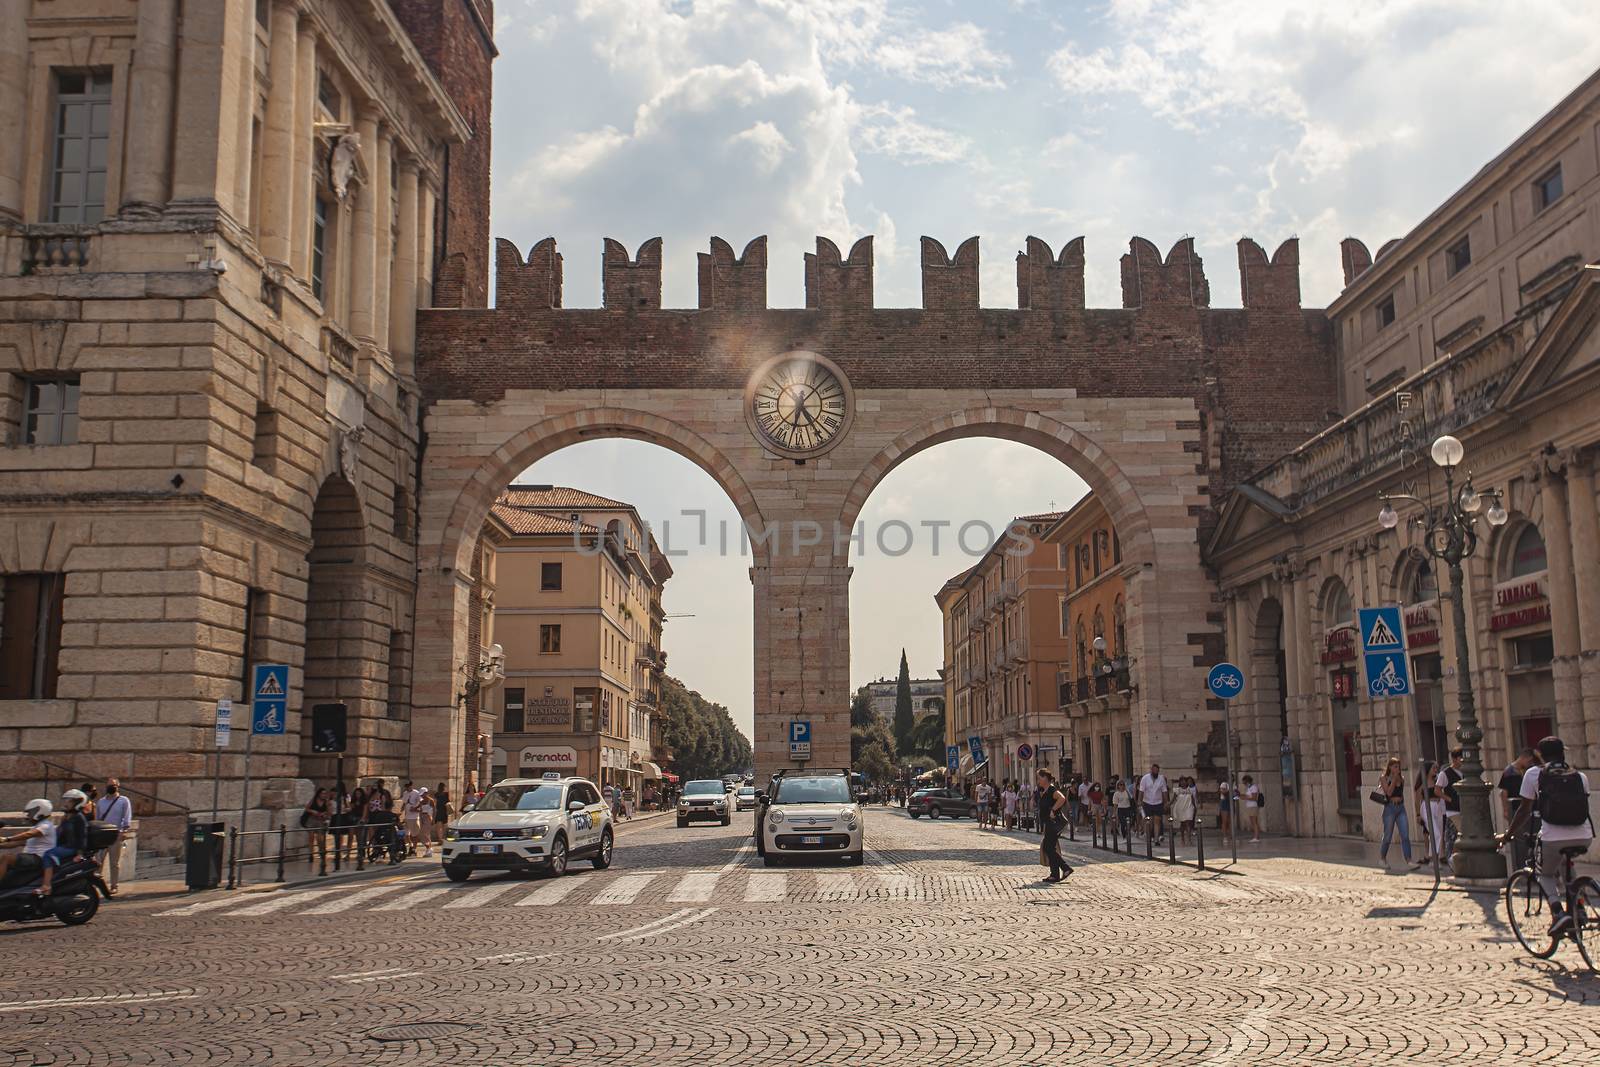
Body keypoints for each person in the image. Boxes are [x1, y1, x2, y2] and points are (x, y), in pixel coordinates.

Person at [1500, 736, 1593, 936]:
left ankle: (1559, 913)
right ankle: (1580, 906)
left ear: (1539, 755)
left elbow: (1524, 811)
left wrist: (1508, 835)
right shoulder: (1579, 775)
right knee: (1566, 863)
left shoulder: (1534, 774)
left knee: (1544, 873)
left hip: (1552, 836)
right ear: (1563, 752)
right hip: (1583, 835)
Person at [1498, 748, 1540, 871]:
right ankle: (1523, 866)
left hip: (1530, 809)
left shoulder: (1527, 771)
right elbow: (1503, 792)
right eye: (1529, 761)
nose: (1530, 764)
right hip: (1517, 809)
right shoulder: (1509, 772)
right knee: (1521, 838)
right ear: (1524, 758)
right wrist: (1506, 809)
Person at [0, 799, 57, 890]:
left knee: (6, 858)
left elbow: (28, 834)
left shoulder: (46, 825)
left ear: (39, 811)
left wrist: (7, 838)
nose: (28, 815)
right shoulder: (38, 826)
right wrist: (2, 845)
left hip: (38, 858)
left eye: (30, 813)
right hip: (31, 857)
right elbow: (19, 843)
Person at [95, 778, 132, 896]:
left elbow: (126, 817)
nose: (111, 787)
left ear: (118, 786)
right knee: (98, 861)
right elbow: (98, 818)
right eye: (109, 785)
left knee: (114, 862)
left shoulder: (123, 801)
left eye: (114, 785)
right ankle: (96, 885)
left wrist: (124, 830)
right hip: (103, 835)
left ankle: (114, 885)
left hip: (116, 834)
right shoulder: (101, 802)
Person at [1376, 757, 1414, 870]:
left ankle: (1409, 860)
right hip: (1390, 809)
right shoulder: (1384, 778)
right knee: (1388, 835)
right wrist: (1393, 779)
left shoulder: (1401, 779)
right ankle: (1382, 858)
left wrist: (1398, 779)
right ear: (1390, 767)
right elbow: (1388, 792)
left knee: (1405, 835)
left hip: (1400, 808)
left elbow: (1400, 793)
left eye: (1398, 766)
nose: (1397, 769)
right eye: (1395, 766)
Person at [1036, 770, 1073, 882]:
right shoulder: (1045, 791)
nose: (1038, 781)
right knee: (1050, 848)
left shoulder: (1052, 789)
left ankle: (1065, 868)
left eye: (1039, 778)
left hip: (1053, 823)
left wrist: (1053, 809)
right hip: (1048, 823)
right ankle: (1055, 875)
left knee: (1048, 847)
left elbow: (1062, 799)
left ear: (1045, 778)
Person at [1416, 760, 1445, 865]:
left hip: (1438, 807)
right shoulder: (1422, 784)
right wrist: (1418, 815)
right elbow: (1417, 799)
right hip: (1427, 807)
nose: (1435, 770)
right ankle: (1433, 858)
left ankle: (1435, 857)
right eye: (1433, 768)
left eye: (1436, 768)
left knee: (1439, 834)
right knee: (1435, 833)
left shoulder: (1437, 781)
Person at [1438, 749, 1464, 861]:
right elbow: (1437, 790)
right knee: (1458, 834)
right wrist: (1449, 799)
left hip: (1464, 808)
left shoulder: (1465, 772)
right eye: (1460, 758)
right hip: (1452, 810)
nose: (1462, 761)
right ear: (1454, 759)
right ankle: (1452, 858)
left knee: (1462, 835)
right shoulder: (1445, 774)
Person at [1137, 763, 1169, 846]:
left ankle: (1156, 839)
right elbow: (1141, 791)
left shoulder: (1161, 779)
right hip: (1147, 802)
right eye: (1154, 770)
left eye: (1157, 771)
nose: (1156, 772)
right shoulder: (1145, 778)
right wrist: (1139, 801)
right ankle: (1148, 836)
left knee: (1157, 820)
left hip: (1158, 802)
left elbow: (1164, 791)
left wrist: (1166, 802)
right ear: (1151, 770)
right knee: (1150, 821)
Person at [303, 788, 332, 865]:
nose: (323, 795)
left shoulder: (326, 802)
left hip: (320, 820)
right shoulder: (314, 800)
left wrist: (324, 813)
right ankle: (311, 854)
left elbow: (329, 813)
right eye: (322, 793)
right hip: (312, 819)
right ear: (319, 794)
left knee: (320, 838)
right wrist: (313, 811)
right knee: (311, 837)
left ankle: (321, 852)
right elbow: (307, 808)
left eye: (325, 793)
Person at [1171, 776, 1196, 846]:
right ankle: (1182, 838)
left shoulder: (1190, 790)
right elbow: (1173, 799)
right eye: (1181, 781)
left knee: (1188, 822)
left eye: (1184, 781)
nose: (1183, 782)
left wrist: (1194, 807)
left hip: (1189, 807)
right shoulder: (1177, 790)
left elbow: (1192, 799)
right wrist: (1168, 804)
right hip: (1181, 808)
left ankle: (1189, 838)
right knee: (1183, 824)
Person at [1242, 776, 1263, 842]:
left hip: (1253, 806)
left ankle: (1256, 837)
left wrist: (1245, 798)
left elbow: (1254, 798)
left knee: (1254, 822)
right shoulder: (1249, 788)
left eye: (1244, 782)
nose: (1243, 783)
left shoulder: (1254, 787)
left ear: (1247, 781)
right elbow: (1249, 796)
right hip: (1250, 806)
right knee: (1253, 822)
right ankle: (1256, 836)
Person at [1112, 777, 1133, 841]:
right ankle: (1124, 836)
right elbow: (1115, 804)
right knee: (1123, 823)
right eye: (1120, 785)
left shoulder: (1127, 792)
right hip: (1121, 809)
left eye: (1123, 784)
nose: (1122, 786)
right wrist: (1114, 813)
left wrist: (1127, 790)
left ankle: (1128, 834)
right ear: (1118, 786)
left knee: (1129, 823)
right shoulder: (1116, 794)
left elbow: (1131, 799)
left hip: (1128, 808)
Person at [416, 788, 435, 858]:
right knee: (426, 834)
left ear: (426, 793)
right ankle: (429, 849)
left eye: (423, 794)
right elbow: (420, 810)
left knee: (424, 834)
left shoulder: (431, 801)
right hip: (422, 818)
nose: (422, 796)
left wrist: (433, 819)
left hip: (428, 817)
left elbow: (434, 810)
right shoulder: (421, 802)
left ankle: (429, 848)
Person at [1217, 778, 1232, 845]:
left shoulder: (1234, 785)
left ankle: (1231, 835)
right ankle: (1225, 836)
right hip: (1224, 802)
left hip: (1230, 802)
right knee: (1224, 820)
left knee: (1230, 820)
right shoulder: (1224, 784)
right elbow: (1222, 792)